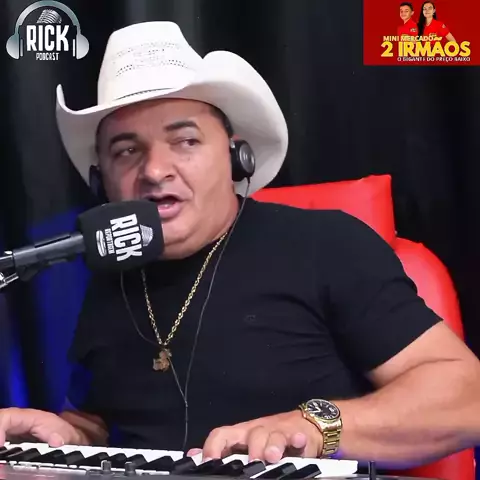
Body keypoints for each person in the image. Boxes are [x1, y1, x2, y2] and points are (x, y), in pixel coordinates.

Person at [1, 21, 480, 471]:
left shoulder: (326, 244)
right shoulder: (112, 274)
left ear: (236, 157)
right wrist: (63, 435)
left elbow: (467, 397)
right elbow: (97, 421)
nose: (154, 170)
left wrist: (313, 427)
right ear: (100, 180)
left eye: (185, 141)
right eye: (127, 151)